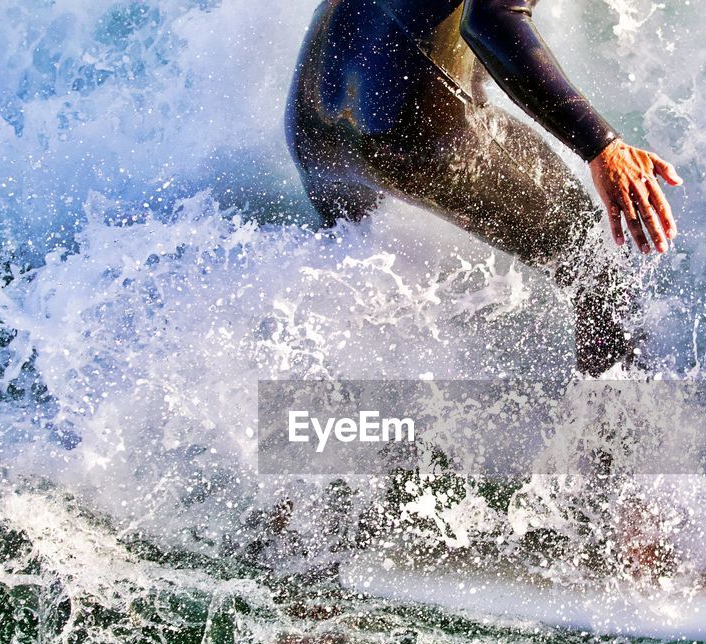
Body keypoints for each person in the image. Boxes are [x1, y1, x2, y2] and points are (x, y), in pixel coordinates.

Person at [285, 0, 682, 375]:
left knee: (352, 288)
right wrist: (601, 146)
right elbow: (493, 18)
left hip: (314, 120)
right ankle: (620, 440)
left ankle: (375, 434)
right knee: (594, 261)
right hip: (403, 125)